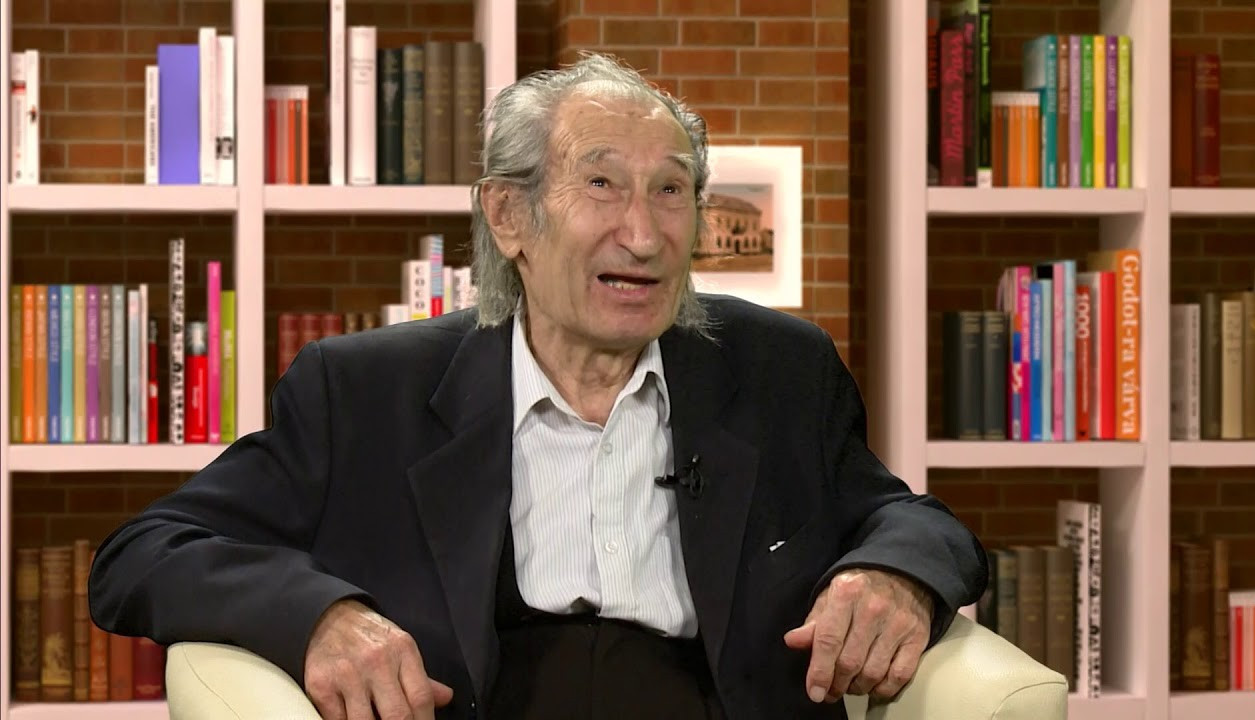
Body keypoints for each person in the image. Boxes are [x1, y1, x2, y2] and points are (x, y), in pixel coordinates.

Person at [89, 53, 987, 720]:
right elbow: (144, 553)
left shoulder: (778, 368)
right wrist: (318, 616)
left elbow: (915, 521)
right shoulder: (364, 392)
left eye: (671, 191)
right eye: (602, 184)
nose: (644, 235)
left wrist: (895, 573)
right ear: (510, 215)